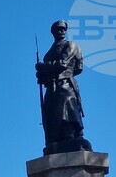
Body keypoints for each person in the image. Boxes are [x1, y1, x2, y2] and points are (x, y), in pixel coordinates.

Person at [36, 20, 91, 155]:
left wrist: (44, 67)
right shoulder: (49, 52)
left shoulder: (70, 45)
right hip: (52, 87)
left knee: (67, 110)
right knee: (51, 113)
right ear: (53, 32)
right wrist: (41, 74)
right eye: (57, 29)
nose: (60, 31)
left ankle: (70, 135)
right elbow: (45, 74)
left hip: (65, 85)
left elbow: (64, 63)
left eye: (63, 29)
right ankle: (56, 139)